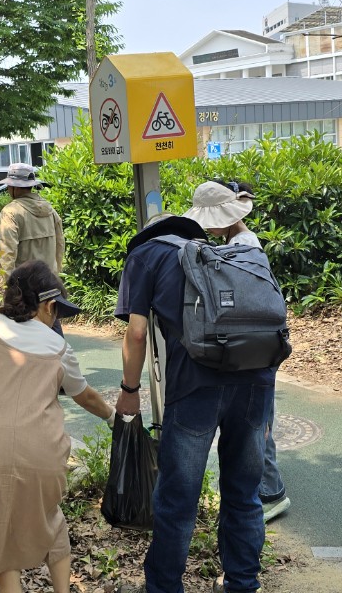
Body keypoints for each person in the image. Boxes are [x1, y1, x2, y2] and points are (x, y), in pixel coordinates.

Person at [114, 214, 276, 593]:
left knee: (177, 498)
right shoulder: (221, 254)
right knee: (244, 492)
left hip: (196, 385)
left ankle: (165, 587)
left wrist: (129, 390)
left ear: (148, 235)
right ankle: (242, 583)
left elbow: (137, 334)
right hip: (255, 381)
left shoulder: (145, 255)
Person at [0, 260, 114, 593]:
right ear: (49, 305)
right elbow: (86, 396)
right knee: (50, 518)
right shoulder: (58, 346)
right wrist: (113, 417)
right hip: (42, 454)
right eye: (58, 313)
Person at [183, 180, 290, 524]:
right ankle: (267, 489)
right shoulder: (241, 241)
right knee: (259, 420)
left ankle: (271, 493)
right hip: (262, 343)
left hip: (251, 347)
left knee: (259, 426)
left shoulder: (241, 246)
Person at [0, 163, 66, 279]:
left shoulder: (10, 212)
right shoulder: (50, 210)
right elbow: (60, 244)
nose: (8, 189)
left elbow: (7, 253)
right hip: (50, 281)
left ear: (16, 187)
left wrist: (9, 286)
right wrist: (56, 275)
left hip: (26, 285)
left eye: (8, 185)